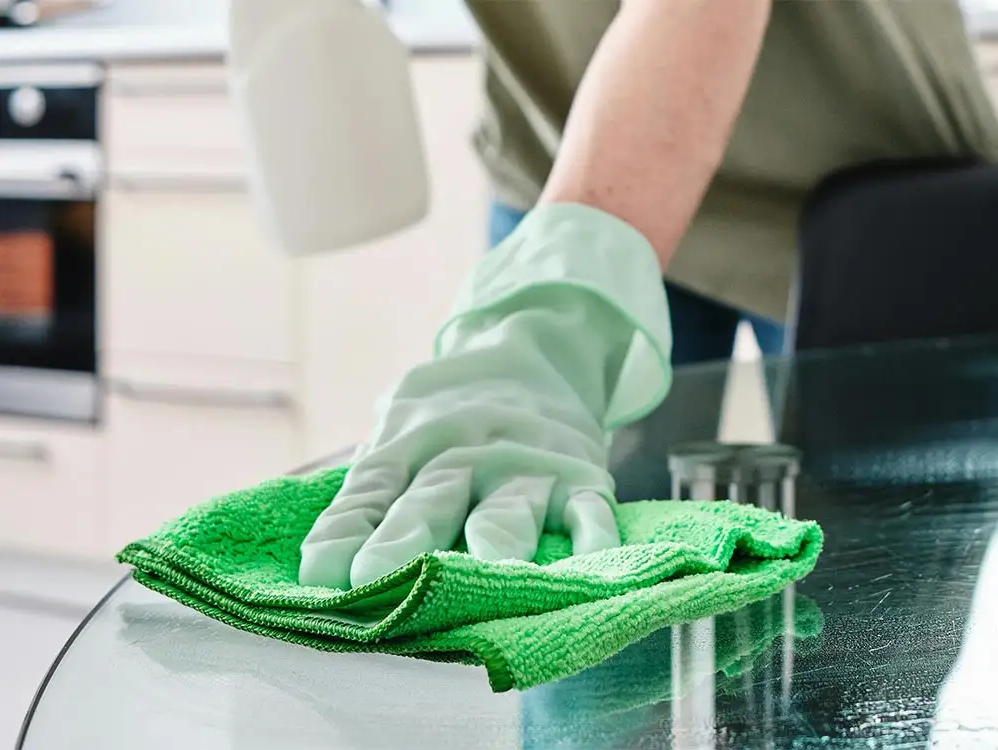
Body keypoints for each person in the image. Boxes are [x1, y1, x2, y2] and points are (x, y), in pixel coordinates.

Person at [233, 0, 998, 590]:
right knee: (580, 641)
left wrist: (554, 303)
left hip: (861, 195)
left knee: (858, 638)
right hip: (560, 152)